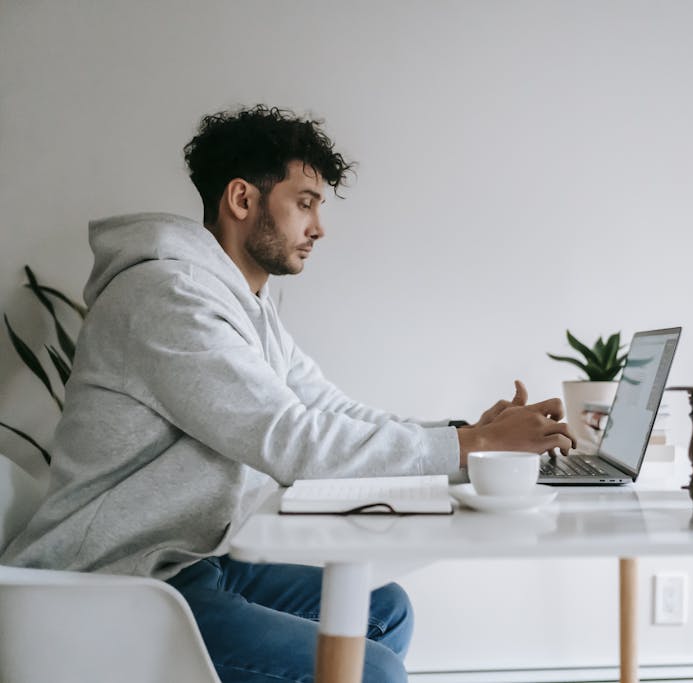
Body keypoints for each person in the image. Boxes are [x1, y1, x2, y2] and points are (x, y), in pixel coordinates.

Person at [1, 105, 574, 683]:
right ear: (243, 200)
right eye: (305, 203)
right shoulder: (168, 297)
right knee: (370, 671)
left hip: (194, 562)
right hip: (116, 585)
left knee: (384, 610)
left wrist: (464, 436)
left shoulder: (246, 307)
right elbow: (291, 441)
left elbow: (330, 411)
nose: (319, 227)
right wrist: (472, 445)